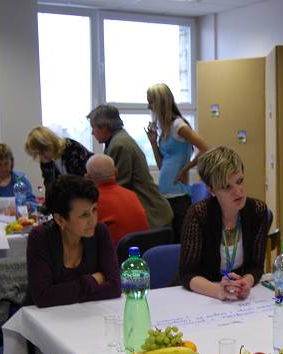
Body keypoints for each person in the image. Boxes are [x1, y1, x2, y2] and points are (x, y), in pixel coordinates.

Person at [179, 146, 268, 301]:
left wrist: (246, 282)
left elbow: (256, 266)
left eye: (239, 181)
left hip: (239, 298)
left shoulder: (257, 211)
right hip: (203, 296)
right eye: (227, 187)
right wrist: (217, 291)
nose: (238, 192)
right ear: (211, 190)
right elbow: (187, 274)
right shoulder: (199, 214)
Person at [26, 174, 120, 308]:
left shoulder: (100, 231)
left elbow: (115, 287)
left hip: (88, 314)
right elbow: (43, 297)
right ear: (60, 220)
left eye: (94, 210)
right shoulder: (40, 238)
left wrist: (64, 292)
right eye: (84, 215)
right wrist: (93, 280)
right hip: (42, 317)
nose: (93, 220)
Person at [87, 104, 173, 229]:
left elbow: (117, 185)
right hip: (153, 211)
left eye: (93, 127)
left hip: (152, 213)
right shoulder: (119, 139)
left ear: (104, 127)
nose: (92, 133)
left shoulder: (119, 145)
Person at [145, 83, 210, 242]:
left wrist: (184, 170)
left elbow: (206, 148)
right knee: (169, 242)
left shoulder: (178, 125)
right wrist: (153, 143)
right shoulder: (165, 129)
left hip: (179, 197)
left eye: (151, 102)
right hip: (166, 196)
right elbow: (162, 166)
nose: (149, 107)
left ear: (160, 102)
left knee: (182, 243)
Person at [85, 154, 149, 245]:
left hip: (115, 252)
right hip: (142, 250)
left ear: (88, 177)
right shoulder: (132, 195)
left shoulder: (92, 202)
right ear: (116, 172)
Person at [24, 126, 93, 188]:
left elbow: (79, 180)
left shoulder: (72, 148)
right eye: (37, 154)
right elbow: (49, 186)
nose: (41, 157)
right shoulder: (46, 161)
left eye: (42, 152)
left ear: (49, 144)